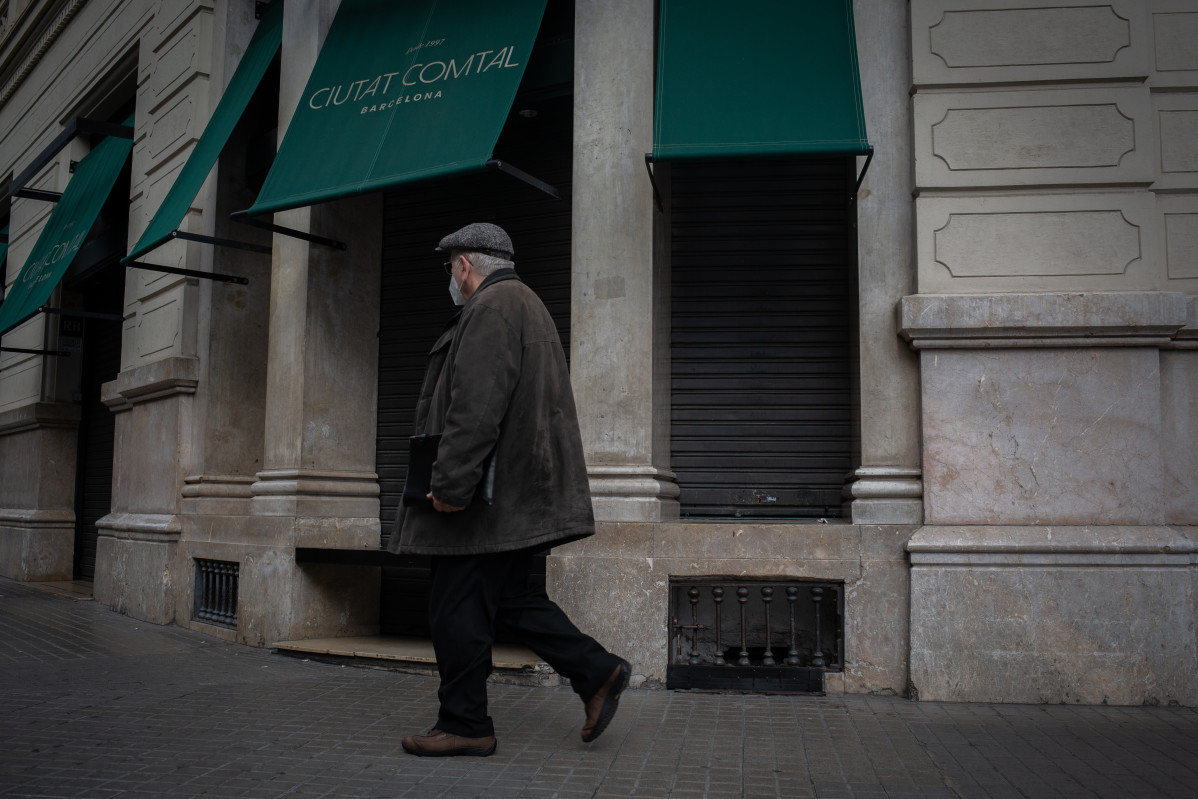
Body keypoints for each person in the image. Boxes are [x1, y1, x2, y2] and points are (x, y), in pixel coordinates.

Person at [389, 222, 630, 758]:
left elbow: (475, 409)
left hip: (482, 504)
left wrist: (450, 485)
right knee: (512, 602)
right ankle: (597, 673)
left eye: (450, 266)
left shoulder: (492, 309)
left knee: (456, 609)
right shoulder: (526, 303)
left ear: (465, 265)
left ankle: (465, 722)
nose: (449, 278)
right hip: (515, 498)